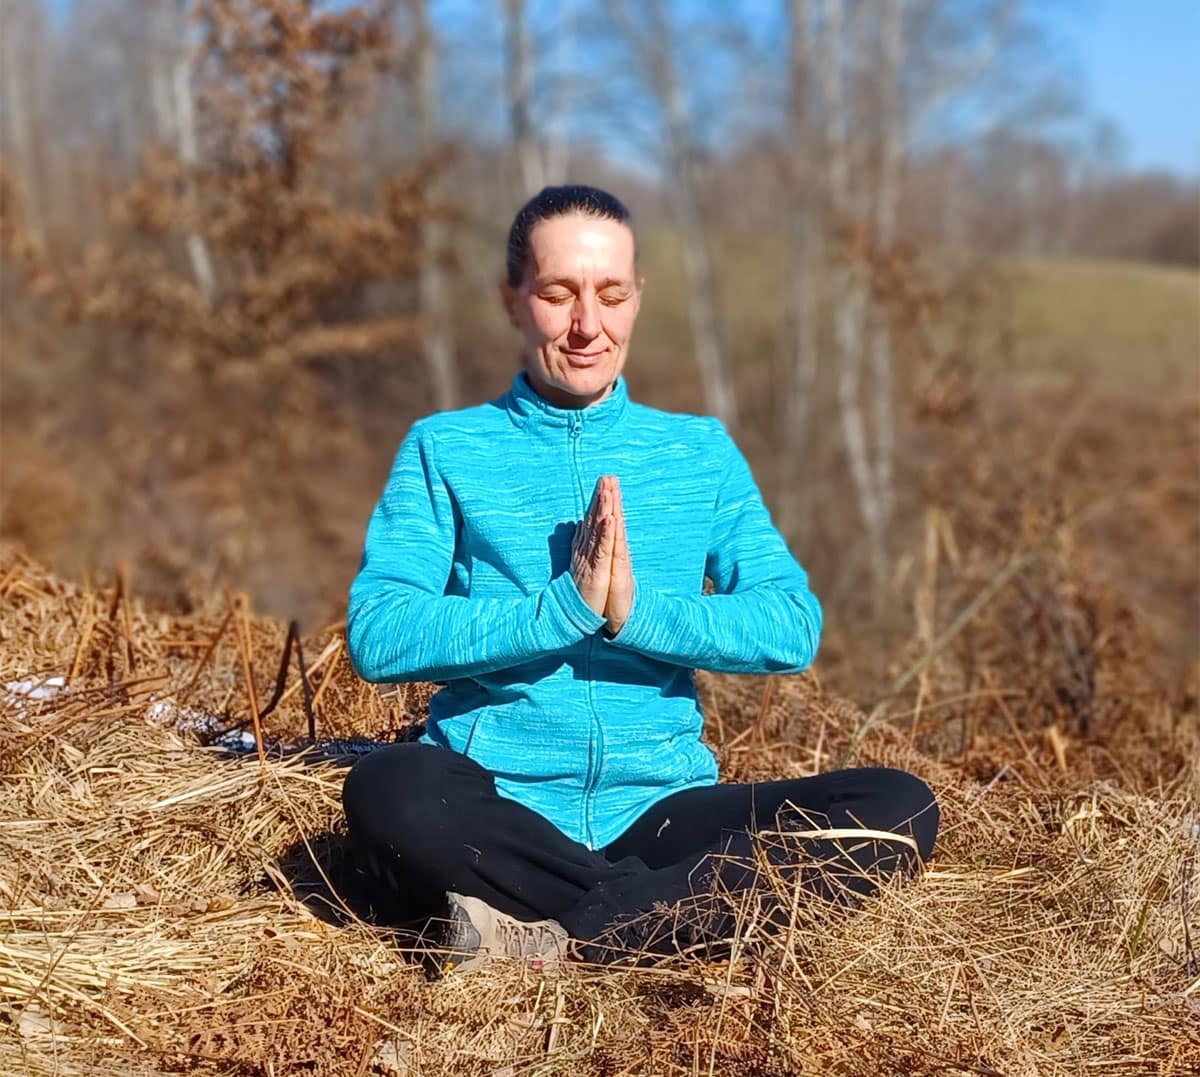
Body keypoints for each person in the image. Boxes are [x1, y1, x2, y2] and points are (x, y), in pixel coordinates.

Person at [342, 184, 938, 973]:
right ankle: (656, 912)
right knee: (388, 787)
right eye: (558, 294)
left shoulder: (700, 451)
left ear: (637, 299)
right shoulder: (445, 447)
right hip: (496, 807)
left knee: (899, 807)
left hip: (662, 809)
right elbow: (380, 631)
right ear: (512, 300)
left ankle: (570, 930)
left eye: (611, 295)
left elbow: (791, 622)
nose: (588, 325)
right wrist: (559, 610)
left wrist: (635, 613)